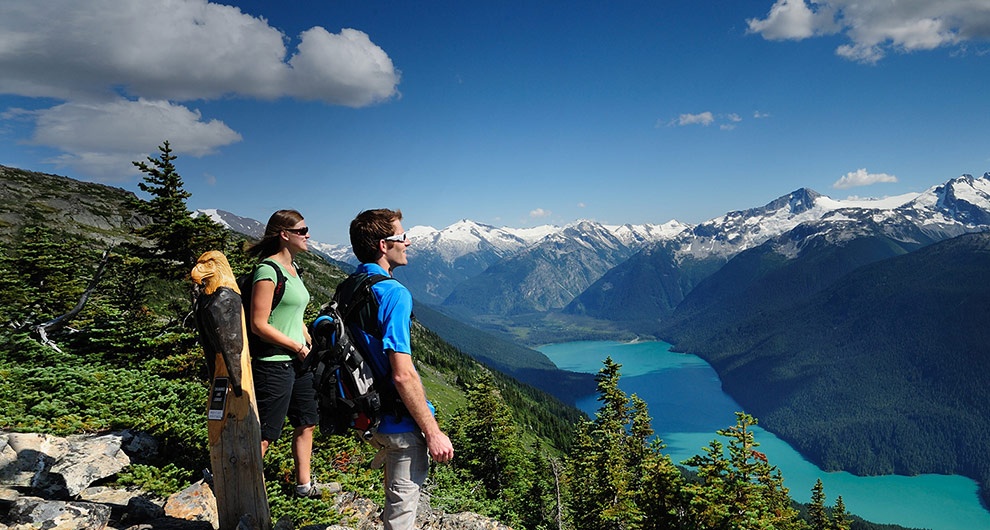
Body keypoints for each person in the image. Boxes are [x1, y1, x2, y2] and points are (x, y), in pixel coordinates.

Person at [348, 208, 454, 529]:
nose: (408, 243)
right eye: (402, 237)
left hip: (369, 417)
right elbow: (402, 372)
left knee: (393, 504)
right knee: (401, 518)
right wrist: (433, 432)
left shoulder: (351, 286)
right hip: (400, 424)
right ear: (384, 245)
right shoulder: (393, 293)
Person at [246, 209, 325, 498]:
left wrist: (308, 341)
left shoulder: (293, 270)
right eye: (302, 231)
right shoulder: (268, 271)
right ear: (285, 234)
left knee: (306, 421)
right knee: (266, 431)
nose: (307, 235)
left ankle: (304, 485)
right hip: (274, 363)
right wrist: (296, 346)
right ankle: (237, 482)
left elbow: (293, 315)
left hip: (299, 361)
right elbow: (258, 324)